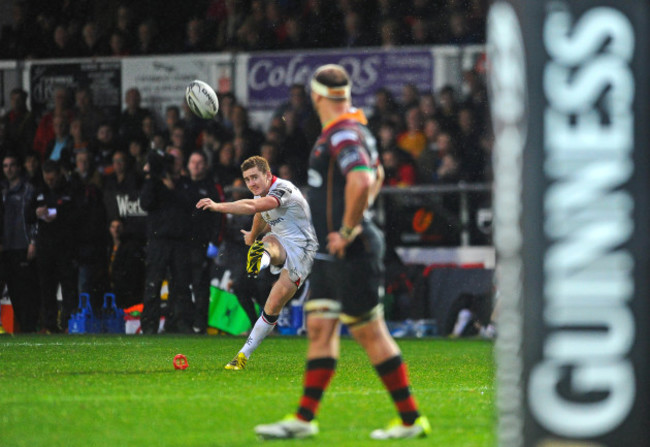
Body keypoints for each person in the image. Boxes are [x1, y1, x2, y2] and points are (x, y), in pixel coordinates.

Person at [254, 64, 430, 440]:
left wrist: (349, 229)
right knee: (319, 327)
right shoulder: (355, 128)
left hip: (351, 250)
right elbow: (377, 174)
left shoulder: (341, 134)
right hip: (333, 253)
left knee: (370, 333)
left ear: (317, 97)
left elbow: (363, 178)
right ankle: (303, 419)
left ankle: (411, 420)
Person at [196, 155, 318, 370]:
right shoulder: (261, 194)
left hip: (303, 250)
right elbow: (260, 213)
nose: (251, 183)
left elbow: (255, 206)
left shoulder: (283, 189)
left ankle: (260, 260)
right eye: (247, 180)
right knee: (268, 241)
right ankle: (241, 357)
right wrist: (252, 236)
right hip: (278, 240)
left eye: (255, 177)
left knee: (273, 306)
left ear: (268, 175)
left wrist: (218, 206)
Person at [139, 149, 193, 334]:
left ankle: (179, 324)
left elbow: (189, 205)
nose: (173, 163)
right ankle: (149, 326)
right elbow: (145, 203)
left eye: (177, 160)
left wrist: (172, 188)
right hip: (159, 240)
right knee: (153, 284)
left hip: (180, 241)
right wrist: (154, 177)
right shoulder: (154, 182)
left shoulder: (185, 183)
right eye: (171, 160)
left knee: (181, 285)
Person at [28, 160, 80, 333]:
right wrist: (36, 213)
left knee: (68, 287)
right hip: (45, 248)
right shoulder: (39, 191)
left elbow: (77, 214)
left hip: (65, 247)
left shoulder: (70, 189)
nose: (49, 182)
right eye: (46, 178)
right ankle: (49, 324)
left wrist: (58, 213)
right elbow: (28, 215)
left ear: (59, 174)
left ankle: (68, 324)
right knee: (47, 288)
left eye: (52, 178)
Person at [184, 151, 225, 334]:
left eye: (200, 162)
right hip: (182, 243)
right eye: (193, 161)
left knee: (200, 284)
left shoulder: (212, 187)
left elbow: (220, 216)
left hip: (202, 244)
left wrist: (215, 242)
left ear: (205, 166)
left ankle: (200, 324)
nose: (196, 166)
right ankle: (182, 322)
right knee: (181, 283)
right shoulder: (182, 184)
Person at [1, 153, 40, 332]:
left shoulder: (28, 189)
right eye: (5, 166)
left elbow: (36, 218)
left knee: (26, 290)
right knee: (14, 292)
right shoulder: (3, 191)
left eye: (12, 165)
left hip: (23, 246)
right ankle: (23, 328)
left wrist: (33, 241)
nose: (9, 169)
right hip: (7, 247)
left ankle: (30, 327)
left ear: (18, 167)